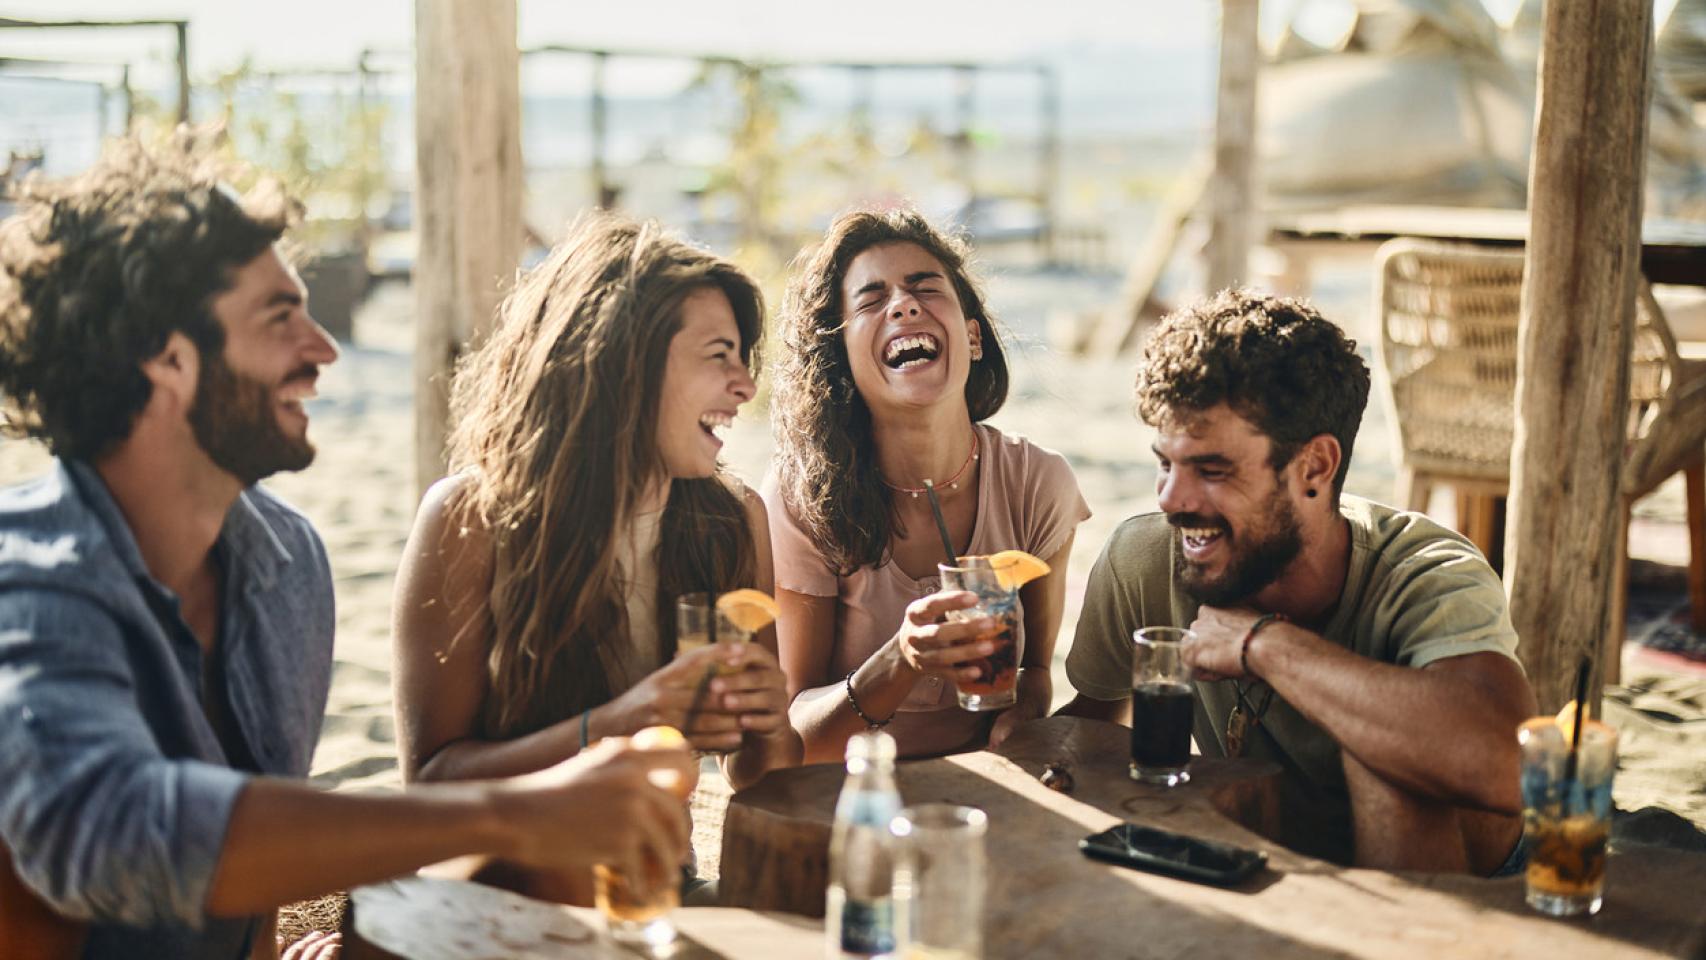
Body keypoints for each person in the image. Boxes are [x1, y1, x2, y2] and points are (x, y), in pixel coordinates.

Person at [0, 139, 693, 960]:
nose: (323, 348)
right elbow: (120, 837)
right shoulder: (33, 584)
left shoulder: (289, 563)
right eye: (278, 317)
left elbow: (245, 906)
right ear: (168, 358)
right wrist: (522, 812)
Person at [391, 212, 801, 904]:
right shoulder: (470, 521)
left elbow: (763, 774)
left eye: (743, 359)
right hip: (501, 892)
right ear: (625, 362)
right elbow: (431, 782)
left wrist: (767, 725)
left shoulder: (734, 521)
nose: (744, 386)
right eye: (717, 355)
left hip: (657, 887)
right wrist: (616, 725)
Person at [1059, 289, 1538, 874]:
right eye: (1166, 463)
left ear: (1314, 468)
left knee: (1385, 760)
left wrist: (1262, 645)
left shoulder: (1426, 572)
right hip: (1270, 867)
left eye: (1212, 470)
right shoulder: (1147, 557)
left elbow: (1506, 768)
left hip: (1470, 889)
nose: (1171, 499)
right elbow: (1088, 730)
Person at [767, 209, 1090, 762]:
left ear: (973, 337)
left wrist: (1020, 714)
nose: (904, 304)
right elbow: (796, 736)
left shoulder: (1038, 483)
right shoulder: (804, 498)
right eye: (871, 300)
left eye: (924, 288)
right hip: (855, 802)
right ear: (842, 362)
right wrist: (902, 659)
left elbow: (1035, 672)